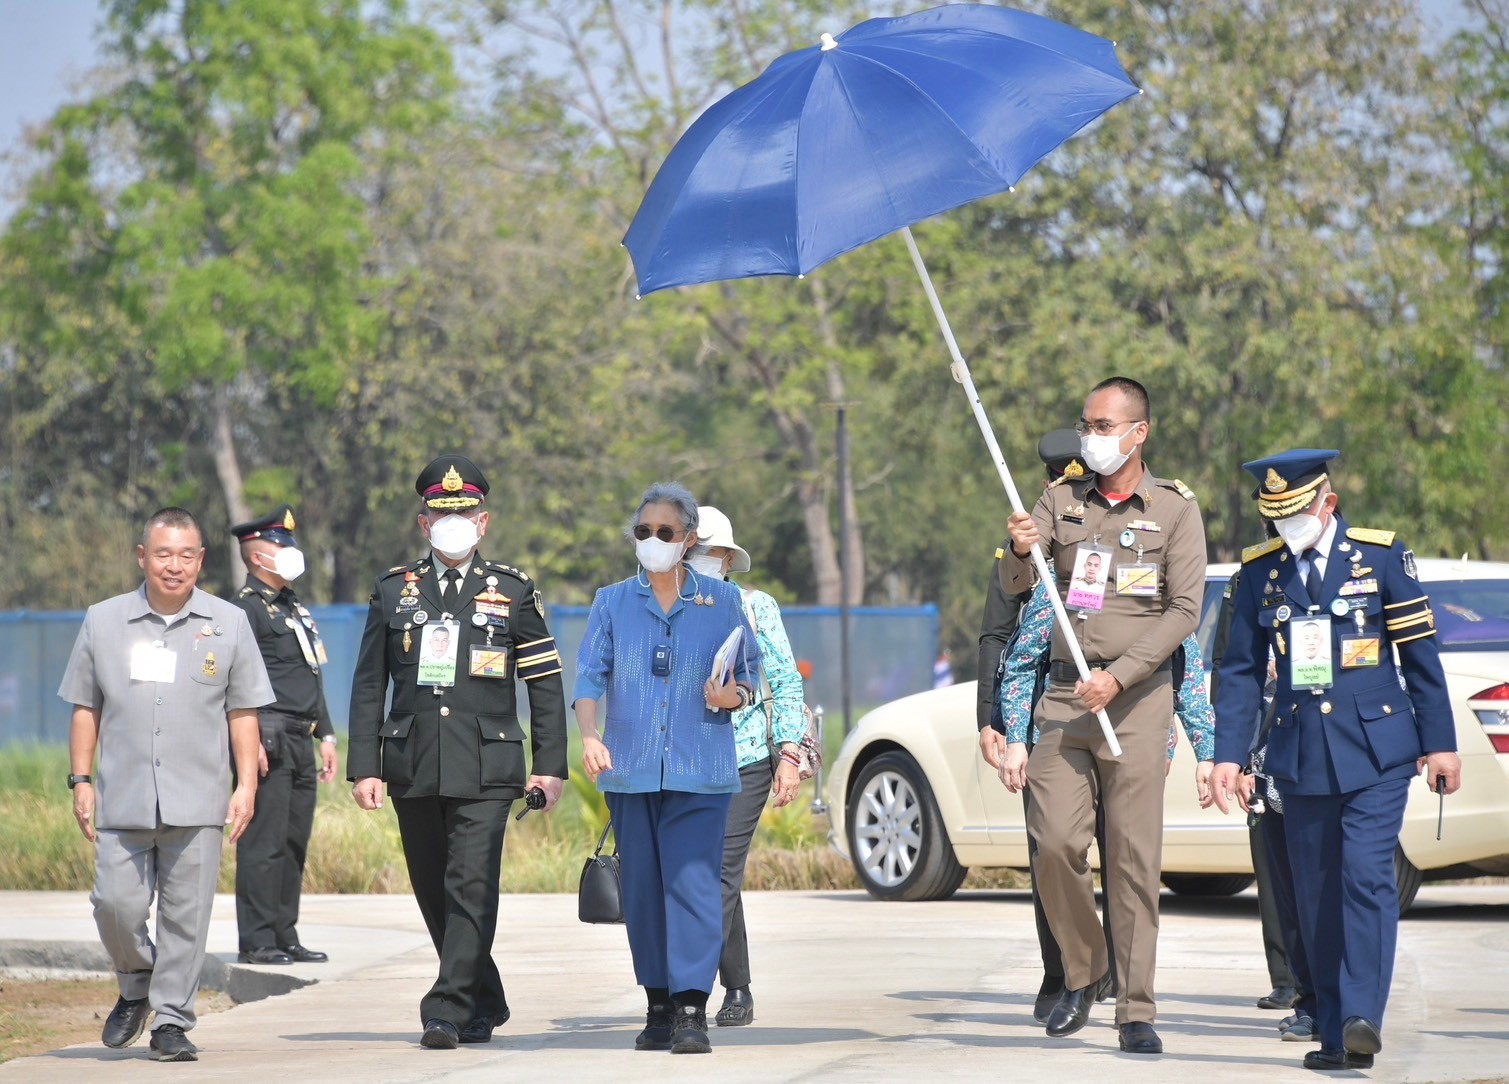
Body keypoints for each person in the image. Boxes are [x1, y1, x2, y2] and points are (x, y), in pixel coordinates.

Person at [1210, 449, 1461, 1072]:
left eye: (1295, 513)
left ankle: (1360, 1017)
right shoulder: (1261, 575)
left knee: (1365, 878)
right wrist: (1227, 757)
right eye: (1275, 517)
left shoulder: (1379, 557)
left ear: (1329, 502)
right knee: (1316, 891)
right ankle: (1331, 1033)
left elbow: (1421, 657)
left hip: (1377, 752)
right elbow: (1239, 673)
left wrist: (1441, 743)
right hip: (1299, 755)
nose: (1285, 527)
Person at [1000, 377, 1206, 1055]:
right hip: (1061, 699)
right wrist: (1019, 550)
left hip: (1137, 702)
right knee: (1055, 845)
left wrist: (1120, 676)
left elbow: (1183, 611)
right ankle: (1085, 971)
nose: (1089, 436)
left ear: (1137, 432)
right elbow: (1018, 589)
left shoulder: (1174, 510)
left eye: (1102, 425)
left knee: (1132, 861)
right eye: (1085, 423)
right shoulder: (1059, 499)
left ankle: (1136, 1008)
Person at [347, 454, 569, 1050]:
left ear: (484, 521)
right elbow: (370, 683)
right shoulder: (394, 591)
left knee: (471, 882)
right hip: (412, 760)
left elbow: (545, 681)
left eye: (465, 512)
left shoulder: (514, 590)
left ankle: (444, 1007)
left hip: (488, 764)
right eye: (442, 514)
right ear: (424, 523)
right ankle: (483, 997)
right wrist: (364, 765)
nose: (454, 522)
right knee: (432, 886)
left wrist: (550, 766)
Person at [59, 507, 273, 1063]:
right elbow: (86, 707)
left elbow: (243, 712)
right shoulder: (103, 621)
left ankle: (172, 1021)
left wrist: (245, 784)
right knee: (114, 905)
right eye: (162, 554)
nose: (173, 566)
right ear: (142, 557)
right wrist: (81, 779)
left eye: (185, 555)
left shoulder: (229, 622)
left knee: (187, 918)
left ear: (201, 559)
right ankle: (137, 983)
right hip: (123, 797)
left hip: (198, 797)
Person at [574, 483, 760, 1055]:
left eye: (665, 533)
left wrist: (728, 696)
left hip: (701, 768)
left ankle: (690, 1009)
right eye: (643, 532)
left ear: (689, 540)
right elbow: (587, 678)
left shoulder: (723, 602)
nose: (652, 541)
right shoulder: (611, 601)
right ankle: (656, 1004)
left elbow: (750, 680)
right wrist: (588, 735)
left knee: (695, 888)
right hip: (629, 770)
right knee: (646, 891)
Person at [976, 427, 1087, 1021]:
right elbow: (996, 635)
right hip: (1035, 716)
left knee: (1116, 851)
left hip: (1104, 706)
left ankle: (1110, 970)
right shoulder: (1019, 551)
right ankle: (1060, 972)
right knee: (1049, 846)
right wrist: (990, 719)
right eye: (1057, 486)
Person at [685, 505, 806, 1029]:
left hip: (745, 760)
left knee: (719, 878)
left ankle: (685, 989)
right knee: (700, 876)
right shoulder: (666, 607)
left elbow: (785, 680)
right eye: (697, 552)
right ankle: (738, 986)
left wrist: (790, 755)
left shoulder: (757, 607)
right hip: (685, 763)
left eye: (715, 553)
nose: (707, 561)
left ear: (729, 560)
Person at [228, 505, 338, 967]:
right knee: (264, 843)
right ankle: (257, 939)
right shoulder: (244, 610)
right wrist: (248, 747)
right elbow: (234, 684)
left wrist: (327, 734)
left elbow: (310, 675)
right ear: (257, 557)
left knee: (294, 842)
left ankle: (284, 934)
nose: (291, 553)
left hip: (300, 737)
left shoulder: (294, 607)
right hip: (266, 738)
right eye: (281, 545)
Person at [1209, 558, 1309, 1029]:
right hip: (1263, 741)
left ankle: (1321, 985)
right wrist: (1237, 756)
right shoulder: (1250, 577)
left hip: (1318, 739)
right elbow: (1229, 667)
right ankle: (1287, 977)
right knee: (1273, 870)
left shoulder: (1343, 569)